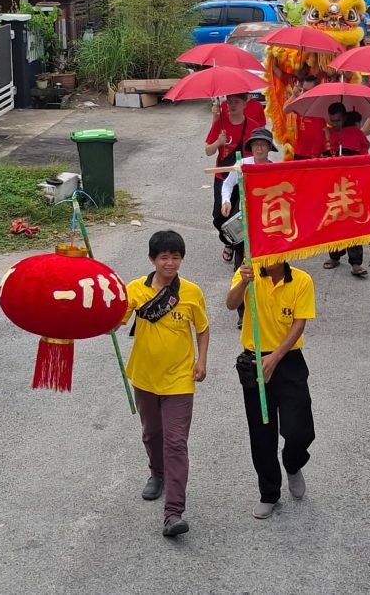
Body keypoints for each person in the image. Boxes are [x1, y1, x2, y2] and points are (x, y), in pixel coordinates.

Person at [122, 230, 209, 538]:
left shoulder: (191, 292)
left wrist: (201, 361)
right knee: (152, 434)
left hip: (179, 381)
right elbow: (117, 317)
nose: (170, 263)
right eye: (164, 257)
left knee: (175, 442)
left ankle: (174, 512)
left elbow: (202, 328)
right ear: (152, 259)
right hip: (144, 377)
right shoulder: (135, 289)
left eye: (175, 257)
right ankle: (156, 474)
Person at [226, 258, 316, 520]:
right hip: (254, 359)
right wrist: (243, 281)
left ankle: (293, 463)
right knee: (261, 432)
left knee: (300, 430)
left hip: (288, 361)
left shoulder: (302, 280)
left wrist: (275, 358)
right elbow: (231, 304)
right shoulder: (248, 272)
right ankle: (269, 492)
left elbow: (299, 323)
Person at [220, 128, 279, 328]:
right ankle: (242, 312)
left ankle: (267, 310)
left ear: (269, 148)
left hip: (268, 224)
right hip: (244, 222)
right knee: (242, 267)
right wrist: (226, 201)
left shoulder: (276, 169)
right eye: (255, 144)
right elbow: (227, 185)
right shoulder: (242, 165)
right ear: (251, 147)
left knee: (269, 267)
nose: (259, 147)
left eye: (263, 144)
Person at [206, 93, 264, 262]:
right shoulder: (221, 123)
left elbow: (256, 155)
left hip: (242, 178)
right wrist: (218, 141)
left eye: (236, 102)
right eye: (230, 102)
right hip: (221, 176)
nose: (232, 105)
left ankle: (240, 252)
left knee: (239, 215)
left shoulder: (252, 126)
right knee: (218, 216)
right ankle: (229, 241)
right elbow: (208, 151)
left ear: (245, 104)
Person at [323, 104, 370, 277]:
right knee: (333, 222)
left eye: (338, 120)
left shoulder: (356, 134)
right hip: (333, 187)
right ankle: (334, 256)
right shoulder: (328, 134)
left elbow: (365, 153)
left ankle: (356, 263)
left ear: (344, 117)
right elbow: (320, 157)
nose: (335, 123)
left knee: (353, 223)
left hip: (352, 185)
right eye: (332, 120)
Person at [293, 75, 329, 160]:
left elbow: (332, 122)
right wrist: (294, 95)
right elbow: (285, 109)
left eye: (309, 91)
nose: (306, 93)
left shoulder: (323, 105)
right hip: (300, 152)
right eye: (304, 90)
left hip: (318, 154)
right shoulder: (300, 103)